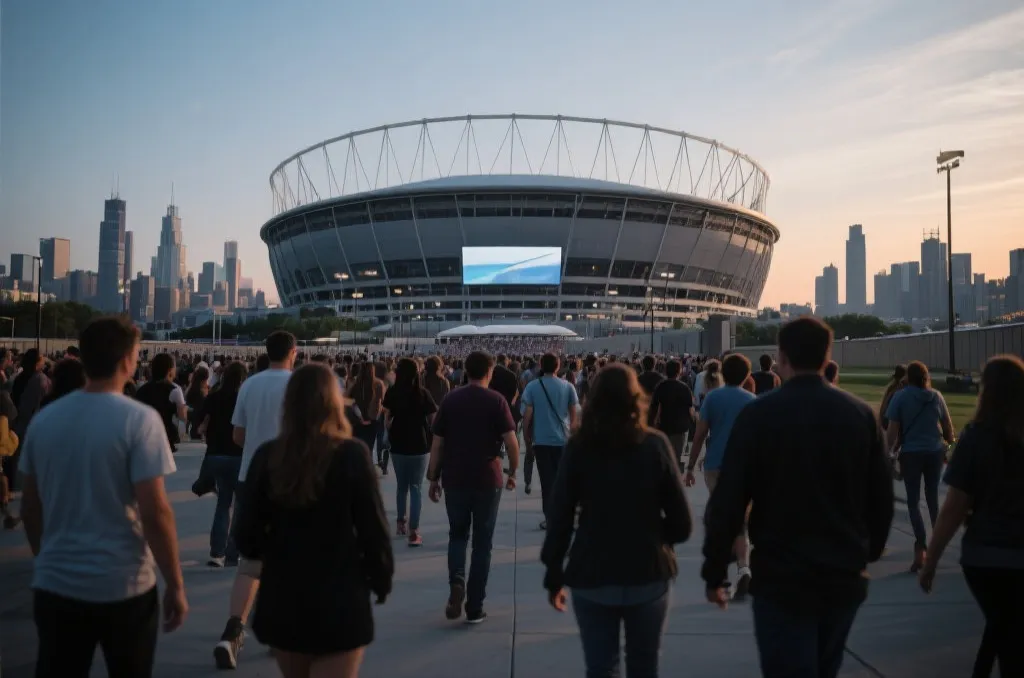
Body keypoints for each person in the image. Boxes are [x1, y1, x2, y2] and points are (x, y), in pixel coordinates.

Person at [701, 317, 893, 678]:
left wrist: (714, 570)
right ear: (827, 356)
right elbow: (881, 497)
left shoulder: (758, 415)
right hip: (841, 572)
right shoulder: (859, 415)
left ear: (781, 357)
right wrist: (866, 553)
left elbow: (729, 499)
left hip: (781, 574)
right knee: (825, 667)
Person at [19, 316, 186, 677]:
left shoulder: (45, 420)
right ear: (128, 360)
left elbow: (30, 507)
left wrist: (46, 556)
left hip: (56, 585)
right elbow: (156, 511)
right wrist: (175, 582)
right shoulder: (140, 421)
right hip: (124, 584)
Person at [235, 363, 393, 678]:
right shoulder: (351, 454)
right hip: (340, 595)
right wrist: (379, 578)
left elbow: (245, 534)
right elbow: (373, 528)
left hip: (285, 597)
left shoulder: (268, 456)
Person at [541, 364, 692, 678]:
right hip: (647, 572)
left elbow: (560, 517)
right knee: (644, 666)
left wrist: (554, 573)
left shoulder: (579, 448)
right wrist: (653, 535)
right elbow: (682, 523)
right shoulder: (655, 445)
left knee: (600, 668)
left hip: (592, 572)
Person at [919, 355, 1024, 677]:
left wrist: (932, 559)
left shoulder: (976, 437)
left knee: (1002, 627)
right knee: (1007, 632)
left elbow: (954, 507)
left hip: (985, 556)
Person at [214, 331, 297, 670]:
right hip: (291, 479)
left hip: (252, 478)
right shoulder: (298, 385)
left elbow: (237, 434)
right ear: (293, 352)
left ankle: (234, 629)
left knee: (252, 560)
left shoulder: (249, 384)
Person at [427, 351, 519, 624]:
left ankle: (457, 580)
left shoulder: (451, 399)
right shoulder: (497, 400)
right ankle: (475, 606)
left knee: (457, 536)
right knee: (482, 543)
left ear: (465, 370)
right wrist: (513, 471)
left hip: (454, 477)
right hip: (487, 478)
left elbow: (437, 444)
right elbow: (512, 443)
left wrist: (433, 477)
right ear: (489, 372)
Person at [685, 353, 757, 598]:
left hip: (716, 464)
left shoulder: (713, 398)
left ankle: (722, 574)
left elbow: (700, 434)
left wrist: (690, 465)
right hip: (745, 467)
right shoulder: (752, 400)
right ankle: (743, 567)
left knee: (721, 517)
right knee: (740, 520)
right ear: (747, 375)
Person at [885, 361, 955, 572]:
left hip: (911, 454)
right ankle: (937, 543)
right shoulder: (936, 396)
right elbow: (949, 429)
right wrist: (948, 446)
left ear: (908, 378)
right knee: (932, 499)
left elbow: (892, 431)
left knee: (913, 502)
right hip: (934, 453)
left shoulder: (900, 397)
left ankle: (921, 545)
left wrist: (889, 455)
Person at [382, 357, 438, 547]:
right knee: (415, 487)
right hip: (419, 444)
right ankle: (414, 531)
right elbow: (433, 419)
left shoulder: (393, 392)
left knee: (401, 486)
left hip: (398, 443)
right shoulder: (423, 394)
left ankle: (400, 523)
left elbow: (387, 418)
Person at [522, 353, 580, 530]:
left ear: (541, 365)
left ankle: (550, 518)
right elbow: (574, 414)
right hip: (563, 440)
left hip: (542, 441)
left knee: (547, 483)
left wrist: (526, 437)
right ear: (558, 366)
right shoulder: (568, 386)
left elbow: (527, 416)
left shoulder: (532, 387)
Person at [198, 361, 247, 567]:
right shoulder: (243, 399)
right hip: (238, 455)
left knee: (223, 504)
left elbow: (201, 424)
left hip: (216, 454)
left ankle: (216, 551)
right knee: (239, 507)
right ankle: (232, 554)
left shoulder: (214, 396)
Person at [9, 348, 49, 490]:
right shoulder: (40, 380)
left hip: (17, 427)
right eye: (42, 358)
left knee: (18, 465)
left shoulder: (18, 377)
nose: (44, 360)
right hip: (33, 428)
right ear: (37, 362)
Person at [135, 353, 188, 453]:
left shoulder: (142, 389)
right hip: (164, 438)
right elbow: (183, 417)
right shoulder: (175, 389)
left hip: (143, 437)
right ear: (170, 370)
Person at [650, 359, 696, 465]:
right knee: (676, 456)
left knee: (664, 457)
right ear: (679, 371)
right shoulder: (684, 388)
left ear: (666, 371)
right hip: (679, 428)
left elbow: (655, 407)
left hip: (664, 426)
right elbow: (690, 408)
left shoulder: (660, 386)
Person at [348, 362, 387, 475]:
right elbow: (382, 401)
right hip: (372, 420)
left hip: (357, 420)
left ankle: (357, 470)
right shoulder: (378, 384)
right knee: (369, 447)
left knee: (357, 447)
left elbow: (348, 400)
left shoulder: (355, 384)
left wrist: (359, 415)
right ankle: (366, 471)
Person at [878, 364, 907, 430]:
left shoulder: (891, 388)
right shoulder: (901, 390)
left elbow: (883, 408)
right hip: (893, 422)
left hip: (886, 421)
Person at [185, 365, 210, 440]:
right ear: (204, 379)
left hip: (192, 426)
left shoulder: (191, 389)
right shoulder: (202, 392)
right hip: (200, 427)